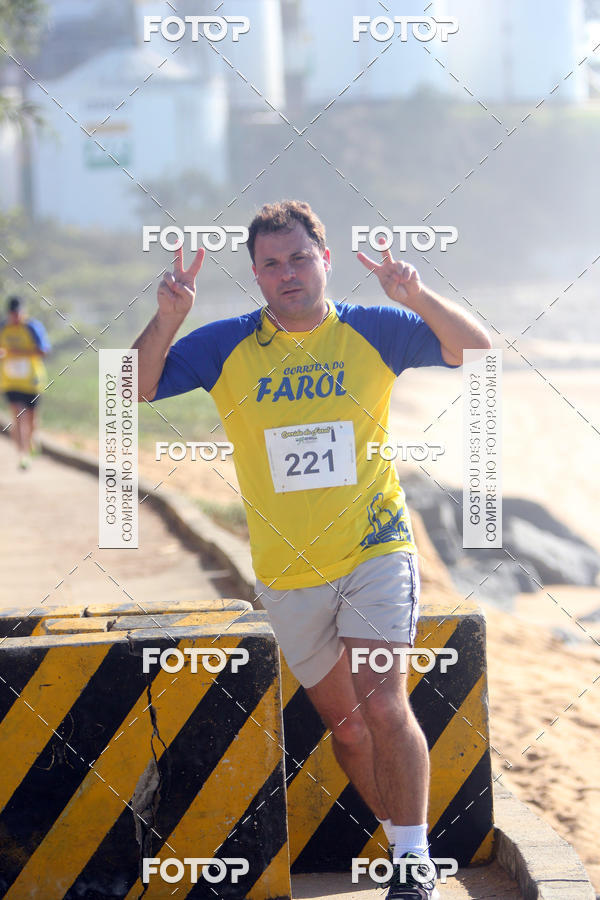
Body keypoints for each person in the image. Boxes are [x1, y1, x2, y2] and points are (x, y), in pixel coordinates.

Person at [133, 200, 492, 899]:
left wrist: (414, 294)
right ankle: (400, 842)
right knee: (350, 730)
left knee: (384, 704)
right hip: (286, 568)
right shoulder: (227, 344)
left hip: (374, 547)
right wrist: (169, 318)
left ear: (325, 260)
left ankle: (414, 866)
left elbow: (475, 351)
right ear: (258, 277)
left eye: (300, 257)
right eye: (271, 264)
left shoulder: (375, 329)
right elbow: (134, 389)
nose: (287, 273)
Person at [0, 296, 51, 469]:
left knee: (31, 419)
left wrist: (16, 352)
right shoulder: (2, 327)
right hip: (10, 381)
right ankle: (22, 455)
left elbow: (44, 351)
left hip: (31, 381)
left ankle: (31, 443)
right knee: (17, 416)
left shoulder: (32, 327)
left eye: (17, 314)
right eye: (12, 314)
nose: (15, 318)